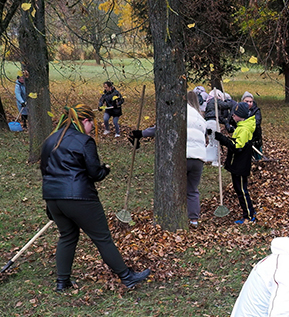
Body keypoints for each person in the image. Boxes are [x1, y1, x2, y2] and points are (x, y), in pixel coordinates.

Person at [40, 105, 151, 291]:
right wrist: (105, 169)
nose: (93, 127)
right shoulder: (84, 141)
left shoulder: (50, 140)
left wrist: (50, 204)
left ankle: (62, 282)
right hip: (80, 197)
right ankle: (127, 277)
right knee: (102, 238)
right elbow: (94, 173)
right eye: (92, 123)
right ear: (85, 121)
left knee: (67, 236)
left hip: (53, 197)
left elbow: (45, 170)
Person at [132, 92, 208, 227]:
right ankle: (193, 220)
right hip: (198, 158)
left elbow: (160, 128)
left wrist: (141, 133)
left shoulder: (178, 112)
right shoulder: (201, 118)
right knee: (192, 190)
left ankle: (171, 216)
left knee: (173, 187)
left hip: (182, 156)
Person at [216, 102, 257, 223]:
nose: (233, 115)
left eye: (236, 114)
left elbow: (236, 147)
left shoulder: (244, 129)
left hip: (240, 165)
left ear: (242, 116)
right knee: (240, 189)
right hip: (237, 164)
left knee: (242, 191)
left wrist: (223, 139)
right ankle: (250, 211)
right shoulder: (241, 126)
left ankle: (249, 216)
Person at [241, 91, 263, 161]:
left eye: (250, 102)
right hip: (243, 136)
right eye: (246, 101)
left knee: (257, 156)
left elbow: (257, 121)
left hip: (255, 136)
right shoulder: (239, 110)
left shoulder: (256, 111)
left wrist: (246, 126)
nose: (248, 103)